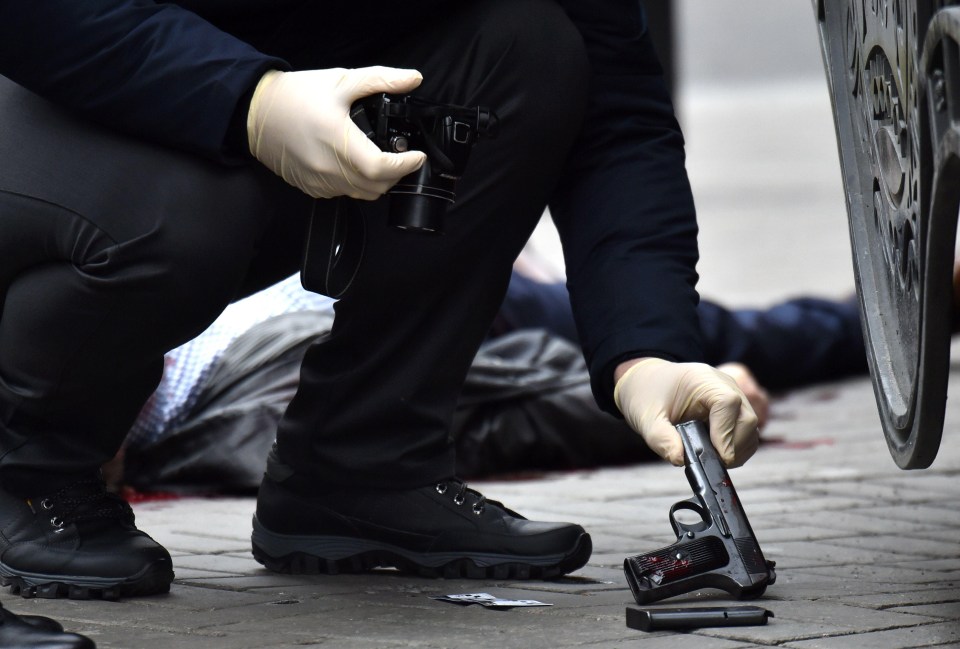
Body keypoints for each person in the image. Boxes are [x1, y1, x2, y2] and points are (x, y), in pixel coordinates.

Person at [0, 1, 758, 600]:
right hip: (57, 86)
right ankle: (28, 468)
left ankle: (364, 463)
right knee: (191, 205)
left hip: (267, 109)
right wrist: (249, 102)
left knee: (534, 51)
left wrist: (647, 347)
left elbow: (617, 117)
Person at [113, 267, 865, 493]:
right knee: (736, 339)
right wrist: (684, 405)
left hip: (429, 275)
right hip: (479, 319)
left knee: (718, 326)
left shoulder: (150, 349)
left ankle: (886, 311)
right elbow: (504, 424)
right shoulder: (237, 434)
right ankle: (895, 316)